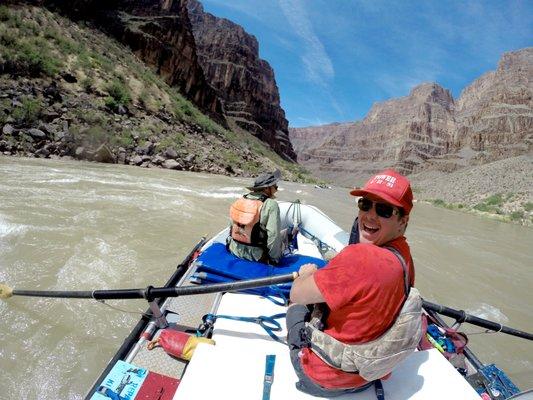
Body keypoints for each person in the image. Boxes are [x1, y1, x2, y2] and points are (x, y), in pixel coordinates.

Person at [286, 169, 422, 397]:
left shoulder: (360, 258)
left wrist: (305, 275)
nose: (370, 215)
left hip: (326, 378)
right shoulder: (404, 255)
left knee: (294, 308)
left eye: (384, 209)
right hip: (367, 376)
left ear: (402, 221)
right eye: (365, 204)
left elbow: (297, 293)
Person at [227, 169, 284, 264]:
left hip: (234, 249)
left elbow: (231, 226)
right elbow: (273, 235)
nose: (276, 189)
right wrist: (274, 259)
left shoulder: (241, 199)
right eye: (275, 186)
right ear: (266, 188)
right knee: (283, 241)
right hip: (256, 256)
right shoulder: (271, 204)